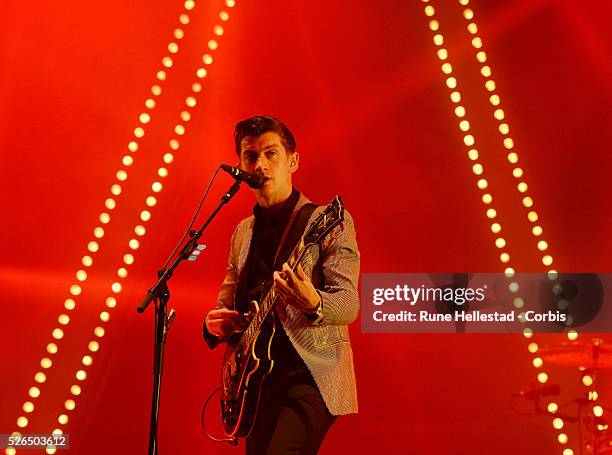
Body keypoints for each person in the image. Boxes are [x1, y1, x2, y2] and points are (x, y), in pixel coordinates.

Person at [203, 116, 359, 454]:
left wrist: (314, 302)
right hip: (256, 384)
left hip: (310, 376)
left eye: (271, 154)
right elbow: (226, 300)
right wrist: (213, 321)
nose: (260, 164)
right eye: (251, 156)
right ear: (241, 165)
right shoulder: (243, 232)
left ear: (293, 161)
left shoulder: (326, 222)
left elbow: (349, 303)